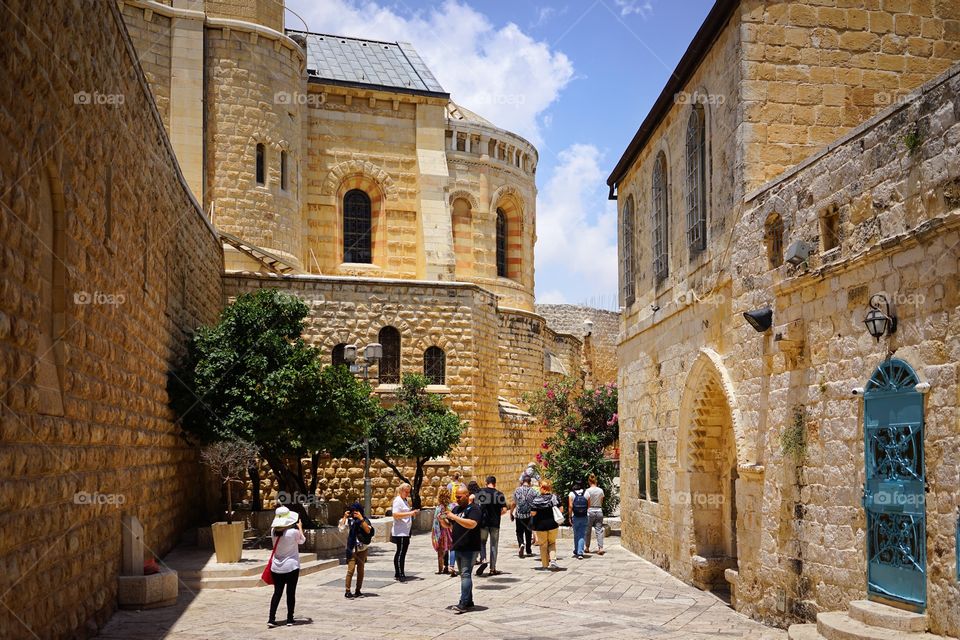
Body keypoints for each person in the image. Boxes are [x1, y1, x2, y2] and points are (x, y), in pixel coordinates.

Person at [267, 506, 306, 627]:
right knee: (290, 593)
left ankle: (271, 618)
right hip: (291, 566)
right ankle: (290, 618)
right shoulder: (293, 532)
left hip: (276, 567)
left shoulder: (273, 532)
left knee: (277, 593)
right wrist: (300, 527)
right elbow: (302, 540)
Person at [445, 485, 481, 613]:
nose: (457, 499)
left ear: (467, 496)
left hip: (470, 547)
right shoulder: (456, 509)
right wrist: (443, 520)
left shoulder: (474, 509)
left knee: (465, 574)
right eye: (456, 497)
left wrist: (454, 517)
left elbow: (472, 524)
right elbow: (450, 525)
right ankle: (469, 601)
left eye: (459, 497)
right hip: (458, 546)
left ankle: (463, 603)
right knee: (464, 575)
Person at [339, 502, 373, 598]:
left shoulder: (364, 520)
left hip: (362, 549)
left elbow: (368, 530)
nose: (355, 513)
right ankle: (347, 590)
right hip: (352, 549)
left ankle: (358, 590)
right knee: (351, 570)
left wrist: (361, 519)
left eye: (356, 511)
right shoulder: (349, 521)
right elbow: (341, 529)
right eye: (353, 511)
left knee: (360, 570)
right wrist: (345, 517)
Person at [476, 476, 507, 576]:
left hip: (484, 523)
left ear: (486, 483)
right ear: (495, 483)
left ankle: (483, 559)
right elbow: (504, 510)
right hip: (495, 523)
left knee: (482, 542)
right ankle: (492, 568)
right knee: (494, 545)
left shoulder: (481, 492)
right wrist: (497, 515)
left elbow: (476, 506)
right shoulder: (499, 494)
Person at [390, 483, 419, 581]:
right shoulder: (398, 501)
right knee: (400, 552)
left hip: (405, 531)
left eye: (408, 492)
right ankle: (400, 573)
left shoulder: (404, 500)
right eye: (406, 492)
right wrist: (410, 513)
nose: (407, 494)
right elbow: (396, 514)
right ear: (401, 490)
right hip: (400, 531)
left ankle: (399, 572)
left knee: (402, 552)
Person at [529, 480, 561, 570]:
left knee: (543, 545)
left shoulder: (536, 499)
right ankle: (553, 560)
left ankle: (545, 565)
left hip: (540, 525)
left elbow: (533, 513)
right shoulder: (555, 498)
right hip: (553, 524)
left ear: (543, 488)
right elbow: (561, 510)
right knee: (552, 543)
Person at [511, 474, 537, 558]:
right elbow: (536, 504)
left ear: (522, 481)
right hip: (529, 515)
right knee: (528, 532)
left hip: (519, 515)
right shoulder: (533, 491)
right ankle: (528, 550)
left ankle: (521, 544)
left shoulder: (517, 490)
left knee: (519, 532)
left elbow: (513, 503)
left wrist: (511, 512)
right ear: (530, 482)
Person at [432, 487, 454, 575]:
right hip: (448, 530)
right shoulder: (450, 506)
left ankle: (440, 568)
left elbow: (439, 518)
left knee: (440, 550)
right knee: (447, 548)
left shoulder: (439, 507)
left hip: (440, 531)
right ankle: (446, 566)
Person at [584, 473, 606, 555]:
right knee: (599, 530)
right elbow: (601, 501)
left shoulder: (587, 491)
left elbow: (587, 502)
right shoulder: (600, 490)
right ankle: (600, 548)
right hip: (599, 510)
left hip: (590, 510)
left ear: (589, 481)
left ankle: (587, 547)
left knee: (588, 530)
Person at [446, 472, 462, 572]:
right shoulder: (462, 485)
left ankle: (450, 565)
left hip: (451, 508)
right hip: (459, 509)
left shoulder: (449, 485)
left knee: (452, 542)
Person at [568, 481, 589, 560]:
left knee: (576, 534)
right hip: (584, 516)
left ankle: (577, 550)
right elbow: (588, 506)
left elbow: (570, 506)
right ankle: (580, 551)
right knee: (582, 534)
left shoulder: (571, 494)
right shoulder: (586, 493)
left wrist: (569, 517)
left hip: (575, 516)